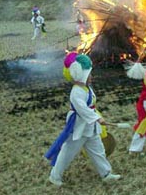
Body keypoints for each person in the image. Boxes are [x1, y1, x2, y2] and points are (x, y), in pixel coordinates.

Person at [45, 53, 121, 186]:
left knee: (98, 151)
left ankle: (106, 173)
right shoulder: (76, 92)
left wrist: (95, 118)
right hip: (79, 127)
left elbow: (89, 107)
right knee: (67, 153)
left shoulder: (86, 88)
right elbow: (82, 109)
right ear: (81, 75)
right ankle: (54, 176)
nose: (91, 76)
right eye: (89, 74)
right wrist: (97, 118)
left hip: (90, 127)